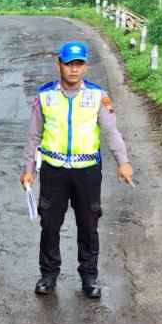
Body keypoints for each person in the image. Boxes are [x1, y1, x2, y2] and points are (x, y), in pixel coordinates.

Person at [19, 41, 134, 299]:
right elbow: (33, 135)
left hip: (87, 171)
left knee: (88, 225)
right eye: (69, 64)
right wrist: (28, 169)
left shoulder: (97, 96)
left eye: (78, 64)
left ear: (85, 66)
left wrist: (123, 162)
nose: (73, 70)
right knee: (50, 224)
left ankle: (89, 278)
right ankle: (48, 275)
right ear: (59, 64)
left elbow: (111, 132)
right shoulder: (45, 96)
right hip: (54, 170)